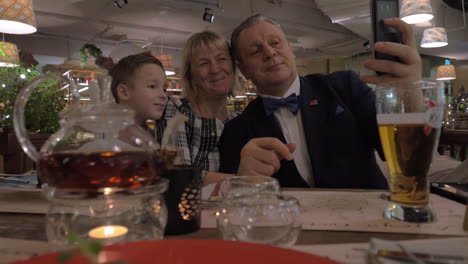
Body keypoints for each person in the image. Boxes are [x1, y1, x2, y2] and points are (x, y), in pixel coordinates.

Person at [219, 14, 422, 189]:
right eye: (255, 51)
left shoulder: (345, 87)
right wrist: (242, 180)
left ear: (290, 49)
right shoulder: (236, 130)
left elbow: (405, 154)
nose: (270, 53)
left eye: (275, 43)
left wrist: (410, 94)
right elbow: (235, 199)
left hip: (370, 218)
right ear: (244, 70)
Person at [156, 30, 238, 185]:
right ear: (191, 75)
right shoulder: (177, 109)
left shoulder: (239, 119)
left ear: (233, 66)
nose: (215, 69)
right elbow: (178, 173)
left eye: (221, 59)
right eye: (204, 63)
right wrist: (245, 181)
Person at [109, 51, 168, 134]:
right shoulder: (104, 140)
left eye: (164, 89)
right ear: (124, 92)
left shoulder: (154, 137)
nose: (163, 95)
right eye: (152, 86)